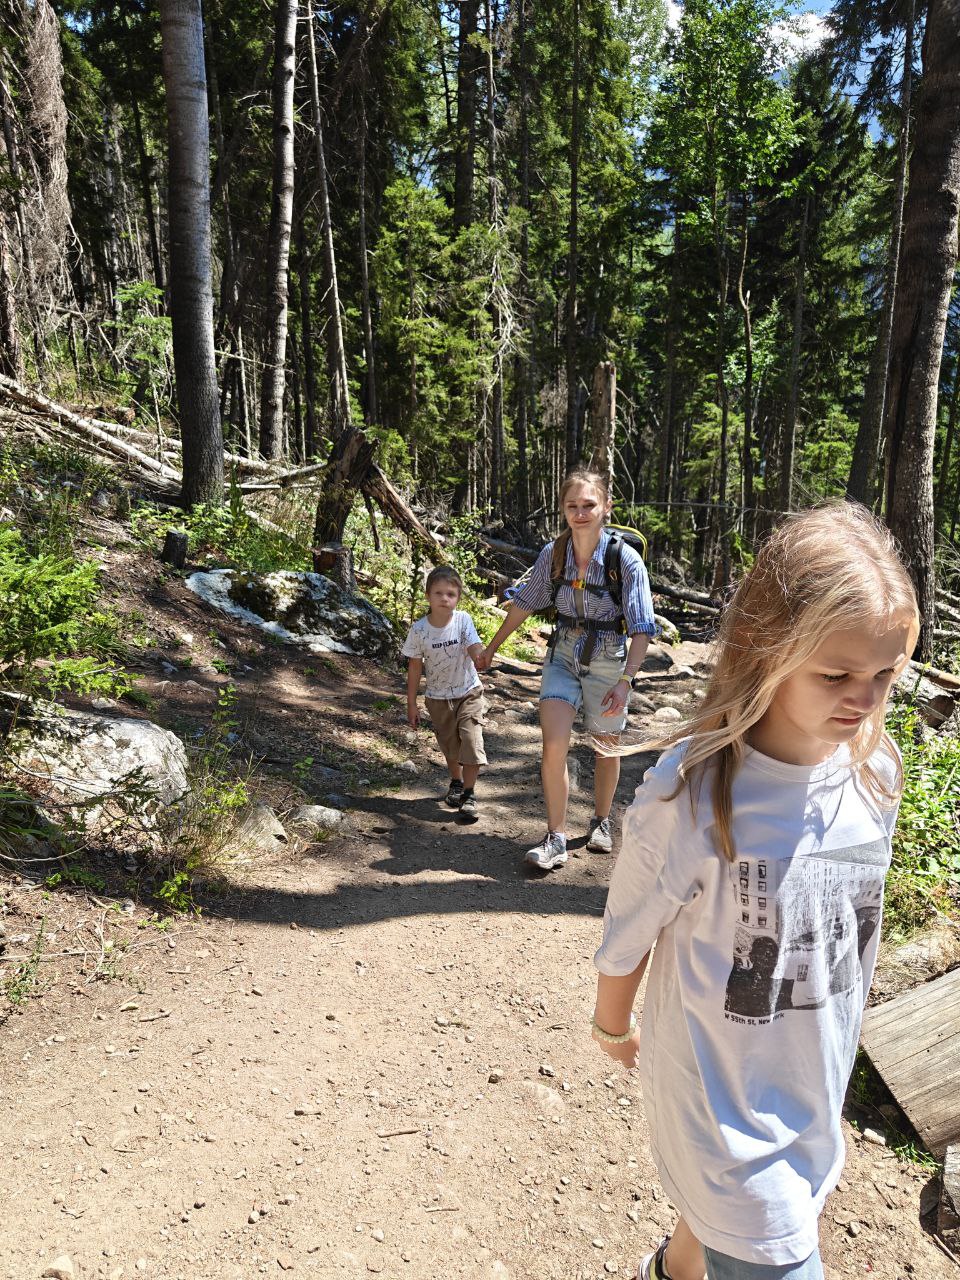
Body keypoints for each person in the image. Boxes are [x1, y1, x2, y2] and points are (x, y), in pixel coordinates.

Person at [590, 502, 919, 1280]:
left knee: (721, 1226)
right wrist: (612, 1030)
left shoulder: (876, 774)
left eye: (885, 675)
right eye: (836, 674)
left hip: (808, 1092)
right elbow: (626, 931)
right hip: (720, 1109)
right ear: (765, 649)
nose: (864, 700)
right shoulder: (692, 797)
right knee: (768, 1241)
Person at [477, 468, 656, 869]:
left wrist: (626, 680)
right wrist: (491, 649)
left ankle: (600, 820)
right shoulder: (553, 554)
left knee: (605, 746)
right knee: (553, 743)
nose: (580, 513)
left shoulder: (624, 560)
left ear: (606, 508)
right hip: (562, 654)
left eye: (588, 505)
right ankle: (555, 837)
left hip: (609, 657)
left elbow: (643, 627)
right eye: (572, 506)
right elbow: (525, 602)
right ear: (563, 509)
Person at [403, 565, 486, 821]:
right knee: (450, 745)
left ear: (458, 597)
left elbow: (474, 646)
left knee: (471, 741)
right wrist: (412, 704)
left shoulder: (463, 620)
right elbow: (415, 666)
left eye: (451, 593)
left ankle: (469, 794)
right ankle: (456, 782)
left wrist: (481, 657)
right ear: (428, 595)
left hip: (468, 692)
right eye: (438, 593)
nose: (444, 598)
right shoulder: (419, 630)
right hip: (438, 698)